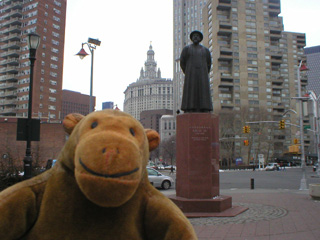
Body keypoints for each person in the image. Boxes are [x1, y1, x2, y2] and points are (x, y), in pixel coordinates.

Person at [180, 30, 213, 112]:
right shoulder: (187, 49)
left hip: (202, 75)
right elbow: (182, 62)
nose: (195, 37)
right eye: (194, 36)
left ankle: (204, 108)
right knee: (191, 91)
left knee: (203, 91)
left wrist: (204, 73)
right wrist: (188, 72)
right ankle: (190, 108)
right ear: (191, 38)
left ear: (200, 38)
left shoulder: (205, 50)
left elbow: (209, 63)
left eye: (197, 36)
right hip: (191, 74)